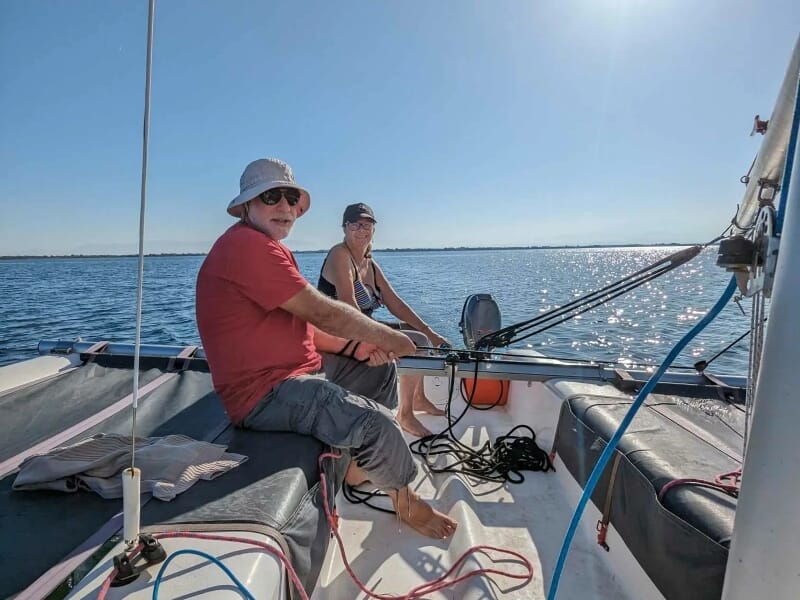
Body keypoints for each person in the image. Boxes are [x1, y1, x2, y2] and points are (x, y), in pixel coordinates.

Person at [195, 158, 456, 540]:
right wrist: (387, 338)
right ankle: (405, 501)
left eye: (290, 197)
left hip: (294, 375)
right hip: (264, 394)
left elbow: (307, 327)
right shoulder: (246, 248)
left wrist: (357, 348)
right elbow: (325, 312)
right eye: (270, 197)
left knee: (379, 372)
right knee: (376, 423)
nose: (284, 207)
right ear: (246, 205)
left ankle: (356, 466)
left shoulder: (266, 247)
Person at [318, 203, 448, 437]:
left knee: (420, 339)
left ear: (374, 229)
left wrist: (432, 333)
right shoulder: (340, 255)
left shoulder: (370, 264)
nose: (362, 229)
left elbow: (395, 303)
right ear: (345, 228)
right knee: (413, 343)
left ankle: (418, 398)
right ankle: (405, 416)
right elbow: (350, 306)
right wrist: (385, 339)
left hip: (362, 328)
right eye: (356, 224)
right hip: (340, 336)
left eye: (367, 224)